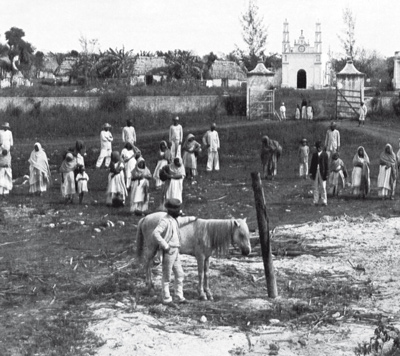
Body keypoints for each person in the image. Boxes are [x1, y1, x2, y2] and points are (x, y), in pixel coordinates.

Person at [151, 199, 188, 305]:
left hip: (176, 249)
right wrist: (165, 245)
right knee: (167, 275)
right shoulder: (165, 220)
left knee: (180, 274)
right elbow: (156, 233)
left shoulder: (174, 219)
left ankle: (179, 296)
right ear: (170, 210)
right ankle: (166, 298)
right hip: (169, 250)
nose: (179, 211)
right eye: (176, 209)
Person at [309, 141, 329, 206]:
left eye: (320, 147)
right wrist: (311, 172)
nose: (319, 148)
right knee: (315, 187)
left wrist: (326, 174)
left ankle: (324, 201)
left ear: (322, 147)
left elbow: (326, 165)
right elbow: (312, 164)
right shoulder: (314, 155)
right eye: (318, 147)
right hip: (315, 172)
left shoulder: (325, 154)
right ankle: (315, 201)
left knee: (323, 187)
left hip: (322, 172)